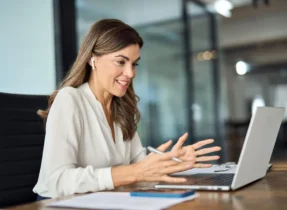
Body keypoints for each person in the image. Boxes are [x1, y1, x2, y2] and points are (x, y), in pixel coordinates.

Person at [33, 19, 221, 200]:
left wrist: (173, 162)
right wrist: (134, 173)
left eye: (134, 64)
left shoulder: (121, 107)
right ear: (93, 59)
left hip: (107, 202)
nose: (130, 73)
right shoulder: (70, 100)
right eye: (121, 62)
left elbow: (140, 168)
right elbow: (56, 181)